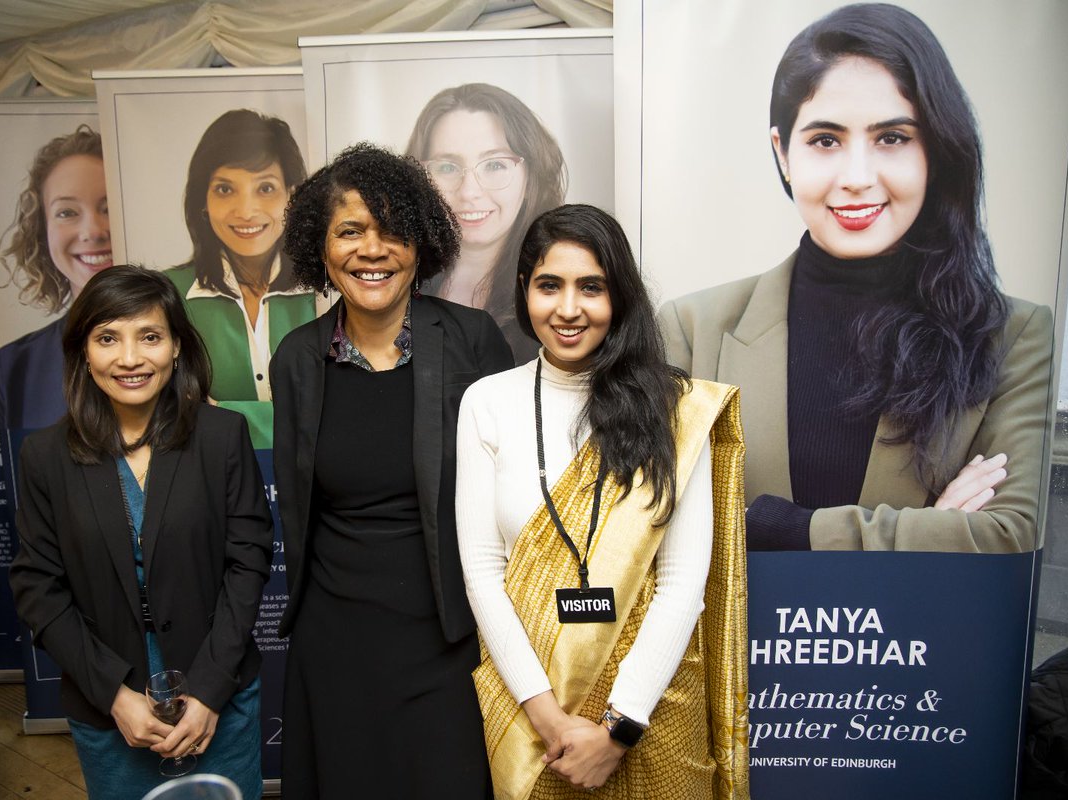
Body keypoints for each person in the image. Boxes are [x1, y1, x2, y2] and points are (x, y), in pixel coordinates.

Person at [660, 3, 1053, 553]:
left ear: (934, 152)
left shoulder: (1012, 334)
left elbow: (1007, 533)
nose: (858, 178)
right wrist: (927, 527)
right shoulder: (691, 328)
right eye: (826, 140)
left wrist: (787, 528)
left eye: (892, 137)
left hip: (918, 640)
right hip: (742, 642)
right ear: (783, 154)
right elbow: (653, 528)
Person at [457, 205, 748, 798]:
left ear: (621, 297)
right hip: (536, 714)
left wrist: (618, 729)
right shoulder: (487, 402)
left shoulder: (675, 408)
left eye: (591, 287)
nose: (568, 309)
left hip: (656, 708)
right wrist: (549, 720)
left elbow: (683, 584)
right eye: (549, 286)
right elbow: (483, 574)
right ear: (523, 290)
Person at [272, 143, 514, 798]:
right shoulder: (297, 358)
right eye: (350, 231)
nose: (371, 250)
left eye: (392, 231)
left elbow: (513, 496)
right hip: (336, 646)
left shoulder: (472, 341)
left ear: (421, 244)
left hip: (447, 641)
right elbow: (301, 507)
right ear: (321, 249)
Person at [9, 266, 272, 800]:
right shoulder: (45, 456)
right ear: (84, 350)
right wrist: (113, 695)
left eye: (149, 336)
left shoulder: (221, 436)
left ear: (176, 346)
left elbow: (247, 565)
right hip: (108, 701)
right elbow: (38, 587)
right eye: (108, 338)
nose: (130, 358)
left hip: (214, 691)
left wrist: (209, 691)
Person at [166, 109, 316, 449]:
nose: (246, 211)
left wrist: (221, 414)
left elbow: (337, 413)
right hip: (214, 492)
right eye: (224, 189)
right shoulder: (168, 294)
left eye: (265, 187)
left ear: (292, 196)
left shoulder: (329, 290)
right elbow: (172, 416)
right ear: (202, 200)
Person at [407, 83, 567, 363]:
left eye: (494, 165)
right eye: (447, 167)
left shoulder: (565, 290)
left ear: (531, 175)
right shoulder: (397, 283)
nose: (469, 192)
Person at [0, 126, 113, 432]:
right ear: (41, 230)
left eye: (108, 208)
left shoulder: (189, 345)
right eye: (67, 212)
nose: (93, 231)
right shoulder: (14, 367)